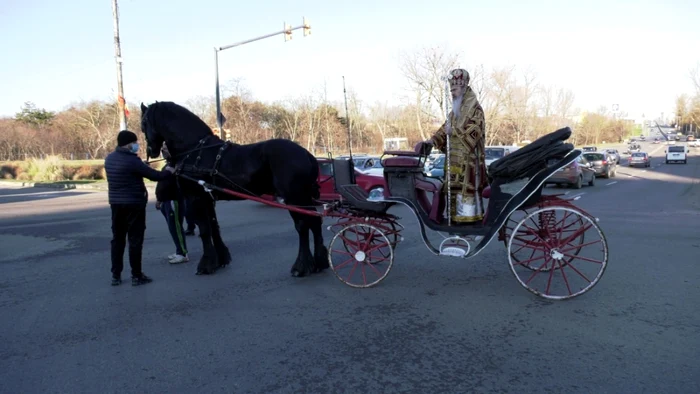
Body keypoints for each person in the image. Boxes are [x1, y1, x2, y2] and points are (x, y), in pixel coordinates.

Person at [104, 130, 175, 286]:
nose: (137, 145)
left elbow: (130, 170)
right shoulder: (132, 161)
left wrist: (140, 165)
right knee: (135, 240)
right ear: (129, 144)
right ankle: (136, 275)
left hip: (116, 204)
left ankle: (116, 275)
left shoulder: (109, 159)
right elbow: (155, 176)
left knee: (118, 239)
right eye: (135, 143)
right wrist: (169, 171)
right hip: (134, 204)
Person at [418, 68, 488, 224]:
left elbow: (475, 131)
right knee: (451, 190)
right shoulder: (455, 110)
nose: (452, 93)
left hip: (469, 162)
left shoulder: (475, 109)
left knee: (467, 191)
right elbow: (444, 129)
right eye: (450, 90)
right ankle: (455, 222)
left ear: (463, 87)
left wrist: (455, 131)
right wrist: (433, 141)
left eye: (454, 89)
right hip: (454, 162)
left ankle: (470, 221)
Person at [155, 143, 189, 264]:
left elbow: (169, 184)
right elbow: (161, 184)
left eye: (166, 149)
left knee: (176, 228)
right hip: (166, 201)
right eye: (162, 149)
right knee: (173, 228)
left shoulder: (178, 165)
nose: (163, 151)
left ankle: (182, 253)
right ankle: (179, 250)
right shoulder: (168, 165)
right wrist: (159, 199)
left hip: (174, 200)